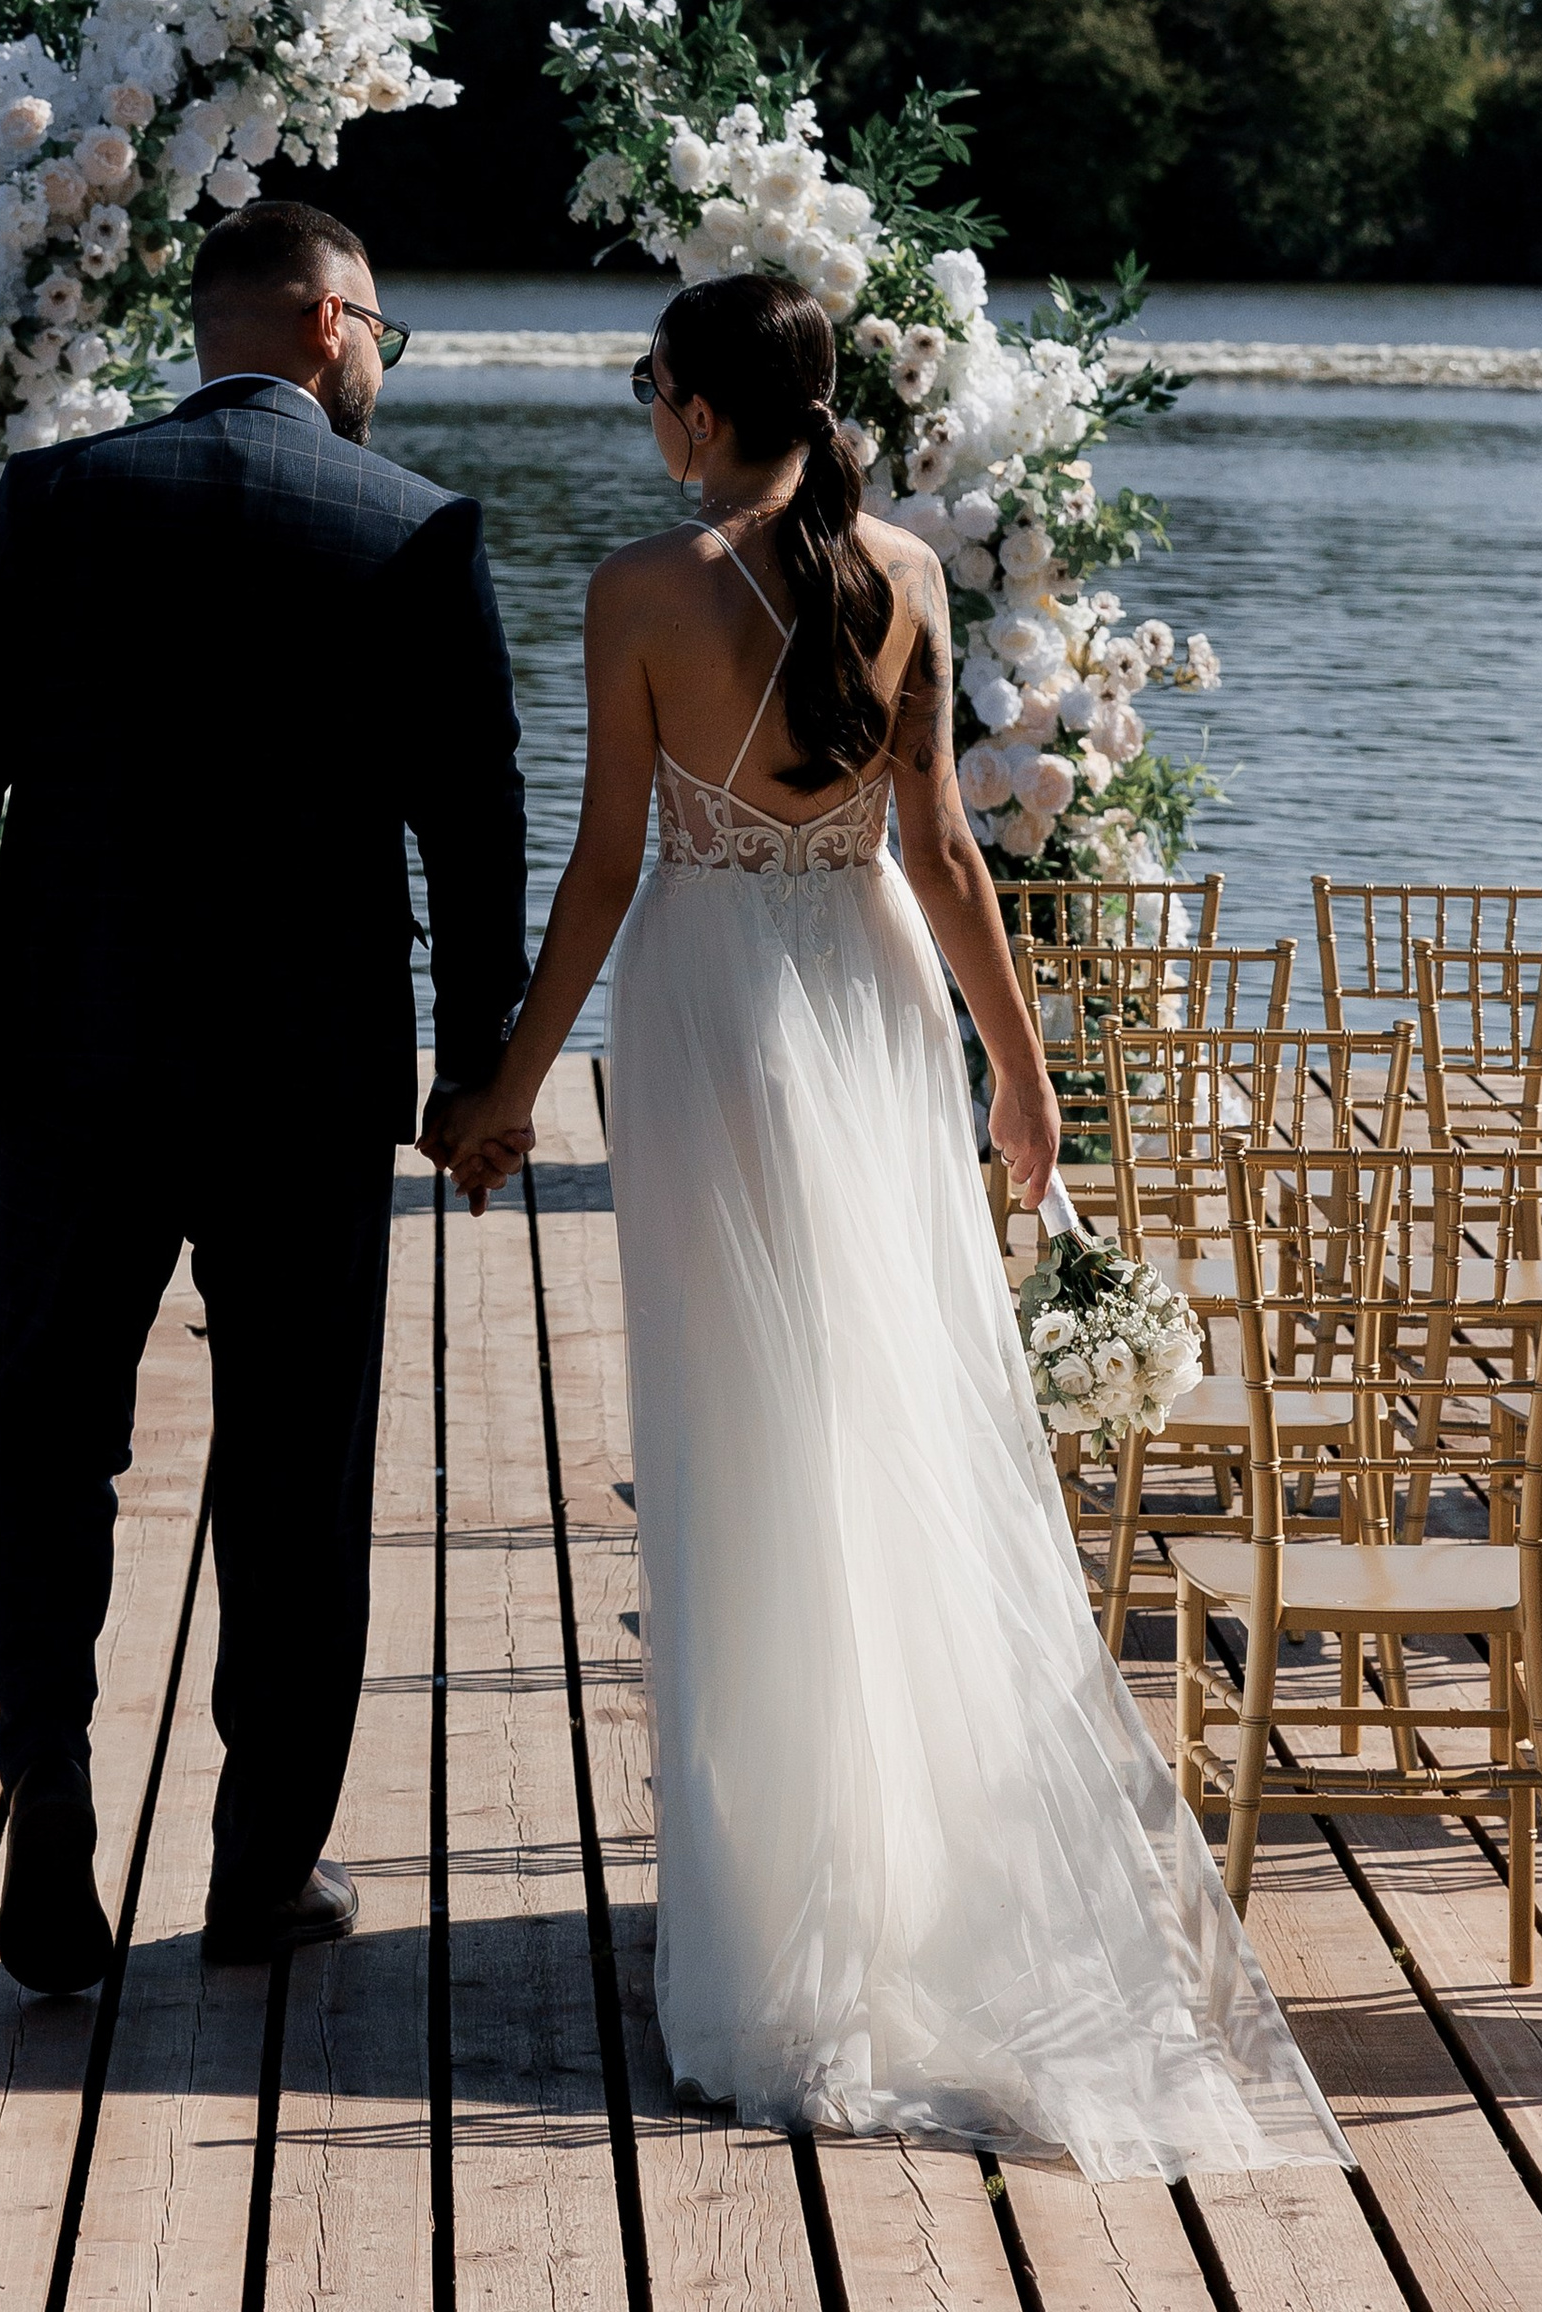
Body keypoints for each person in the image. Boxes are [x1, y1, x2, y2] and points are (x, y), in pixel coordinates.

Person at [423, 272, 1344, 2180]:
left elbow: (605, 865)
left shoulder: (640, 588)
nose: (647, 411)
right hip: (875, 995)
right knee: (884, 1423)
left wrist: (506, 1085)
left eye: (651, 385)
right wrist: (1024, 1077)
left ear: (697, 412)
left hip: (712, 1015)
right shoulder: (904, 571)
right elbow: (940, 855)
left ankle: (777, 1949)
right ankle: (896, 1890)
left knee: (740, 1449)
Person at [0, 200, 531, 1991]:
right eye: (384, 333)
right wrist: (481, 1070)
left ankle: (49, 1795)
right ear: (324, 323)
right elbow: (475, 828)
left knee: (45, 1438)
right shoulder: (415, 525)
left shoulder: (58, 501)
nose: (386, 365)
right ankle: (260, 1873)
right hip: (309, 1072)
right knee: (297, 1463)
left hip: (81, 1050)